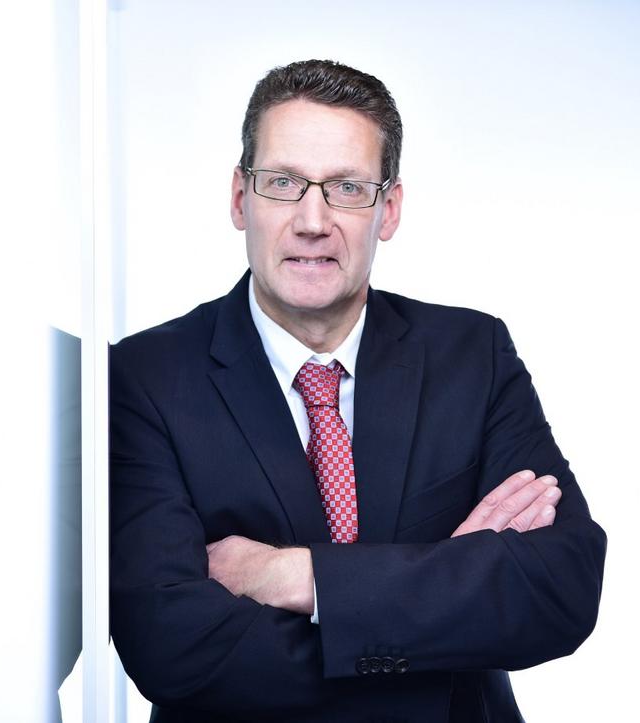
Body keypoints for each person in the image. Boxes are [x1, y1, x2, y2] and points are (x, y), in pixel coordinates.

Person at [109, 59, 606, 722]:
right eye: (282, 183)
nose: (312, 220)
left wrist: (298, 576)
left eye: (346, 188)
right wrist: (443, 603)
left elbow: (560, 587)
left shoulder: (472, 356)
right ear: (239, 198)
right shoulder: (145, 377)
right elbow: (169, 645)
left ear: (388, 209)